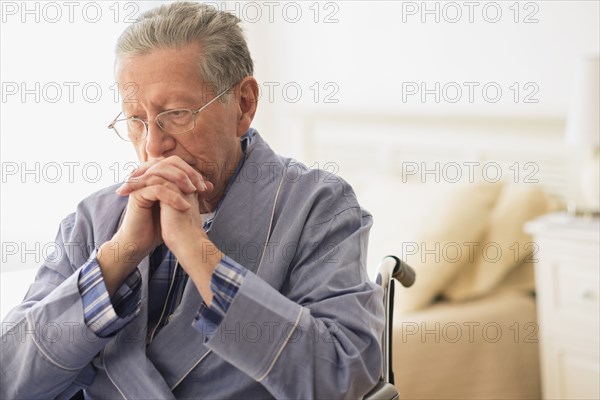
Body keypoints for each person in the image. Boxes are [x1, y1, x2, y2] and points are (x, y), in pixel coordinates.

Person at [0, 2, 384, 399]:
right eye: (136, 119)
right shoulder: (94, 219)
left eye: (177, 114)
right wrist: (118, 257)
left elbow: (343, 380)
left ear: (244, 104)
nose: (153, 145)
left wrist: (197, 251)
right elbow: (10, 380)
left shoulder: (318, 207)